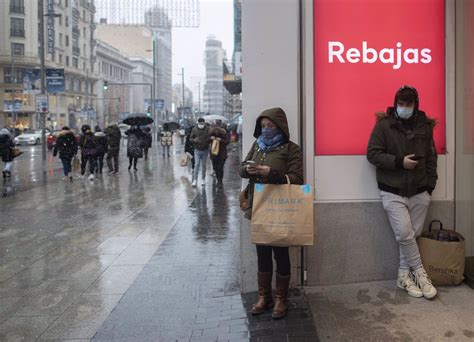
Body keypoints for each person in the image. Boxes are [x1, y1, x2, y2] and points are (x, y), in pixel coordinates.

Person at [367, 85, 438, 299]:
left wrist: (429, 187)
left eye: (408, 104)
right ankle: (420, 273)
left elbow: (432, 158)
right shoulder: (384, 126)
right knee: (404, 234)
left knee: (412, 235)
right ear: (395, 103)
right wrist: (399, 162)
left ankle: (403, 275)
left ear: (416, 105)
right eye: (401, 104)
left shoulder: (425, 126)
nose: (404, 108)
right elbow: (372, 154)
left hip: (419, 190)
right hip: (392, 189)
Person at [239, 107, 303, 319]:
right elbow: (241, 168)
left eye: (270, 126)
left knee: (281, 254)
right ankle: (263, 297)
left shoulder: (291, 149)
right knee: (262, 253)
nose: (266, 130)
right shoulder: (257, 145)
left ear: (280, 127)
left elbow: (297, 178)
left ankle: (281, 300)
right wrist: (246, 169)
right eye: (263, 126)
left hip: (280, 208)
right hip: (258, 207)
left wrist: (271, 173)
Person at [190, 118, 211, 187]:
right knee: (197, 164)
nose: (201, 125)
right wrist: (194, 140)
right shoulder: (194, 129)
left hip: (205, 149)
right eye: (200, 123)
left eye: (202, 123)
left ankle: (203, 179)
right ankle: (195, 180)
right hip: (197, 149)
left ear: (204, 123)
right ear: (198, 123)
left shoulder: (208, 129)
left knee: (203, 165)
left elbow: (210, 138)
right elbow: (190, 138)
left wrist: (206, 140)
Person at [209, 124, 230, 188]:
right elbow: (206, 141)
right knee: (215, 168)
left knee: (220, 168)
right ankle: (218, 180)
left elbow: (227, 142)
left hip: (222, 154)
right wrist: (210, 139)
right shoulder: (210, 133)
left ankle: (220, 182)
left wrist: (221, 140)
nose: (216, 130)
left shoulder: (224, 133)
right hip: (214, 154)